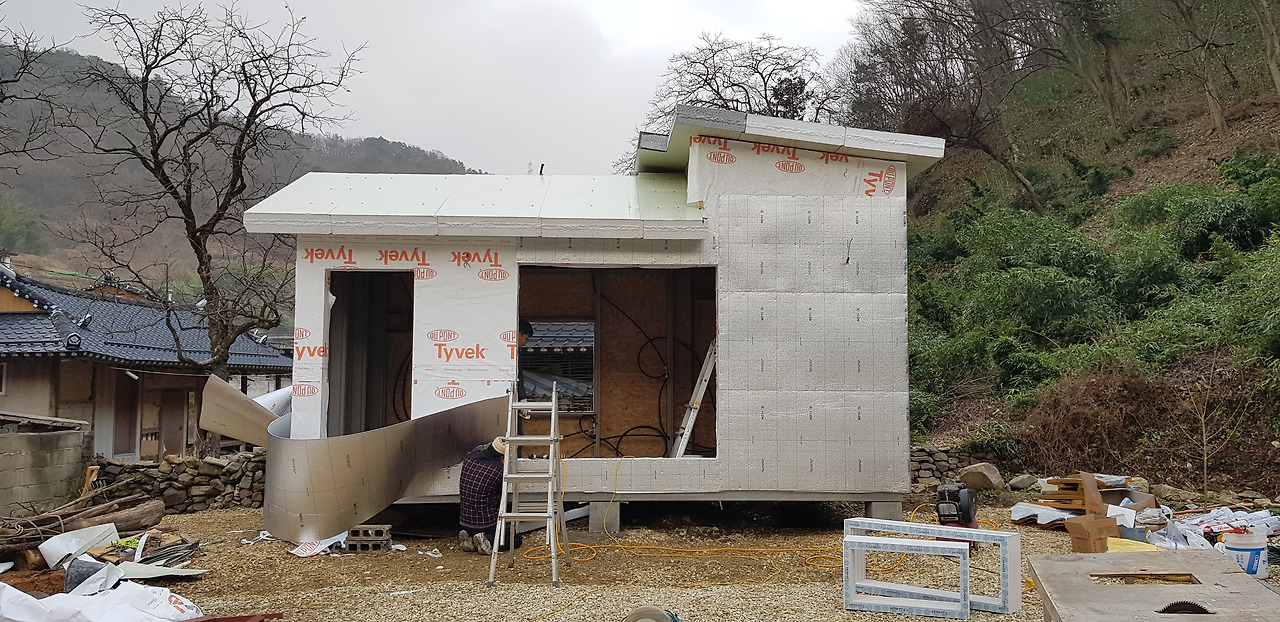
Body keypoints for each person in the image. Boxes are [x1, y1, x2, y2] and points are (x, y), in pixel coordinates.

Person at [457, 437, 521, 553]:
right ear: (502, 456)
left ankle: (469, 538)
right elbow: (500, 494)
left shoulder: (469, 457)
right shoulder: (499, 469)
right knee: (514, 539)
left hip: (464, 520)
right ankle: (487, 540)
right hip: (485, 523)